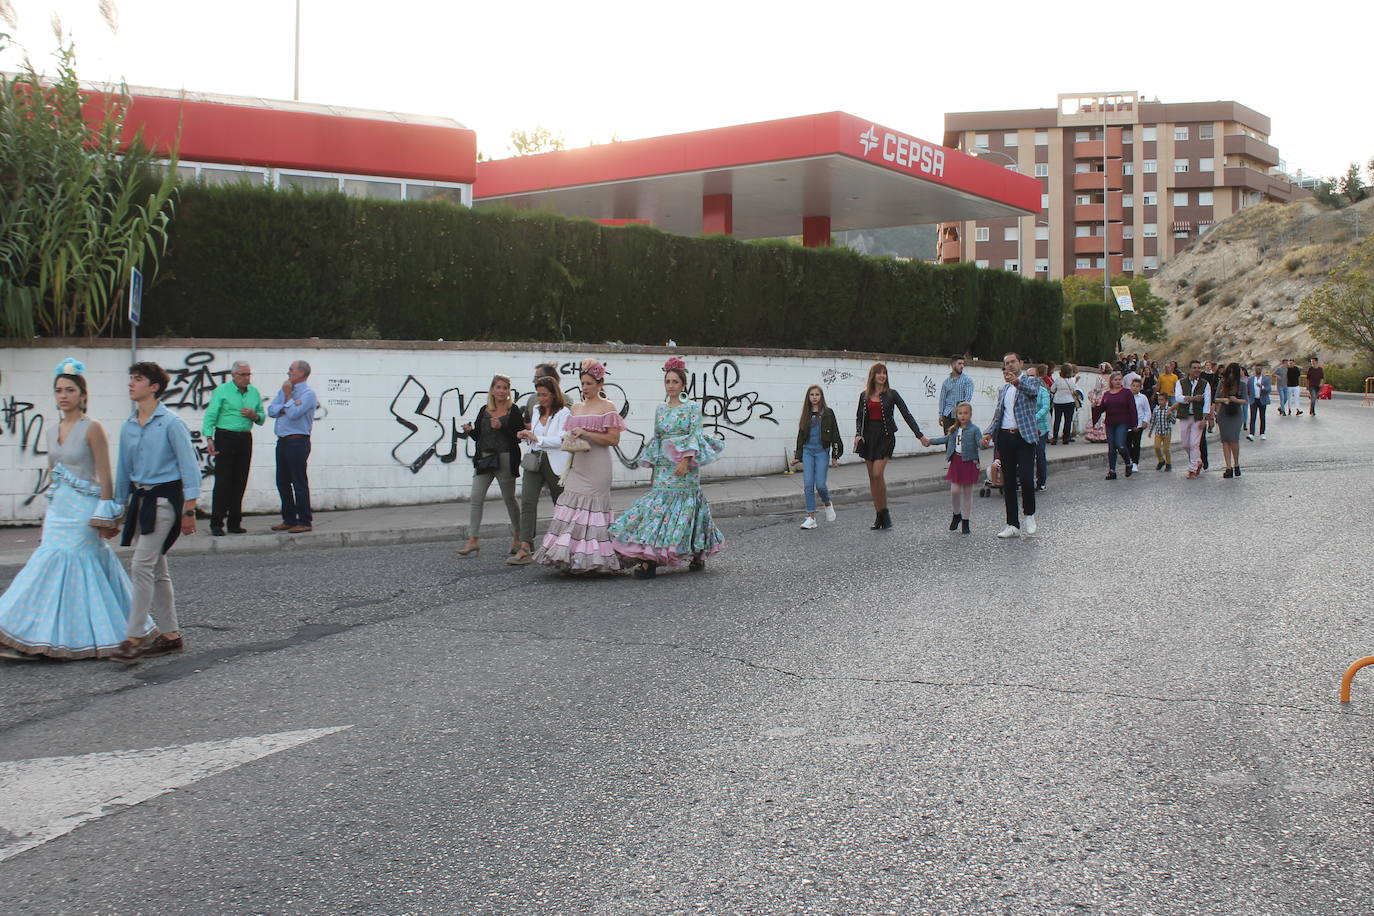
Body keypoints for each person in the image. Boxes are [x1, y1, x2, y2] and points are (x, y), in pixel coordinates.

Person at [0, 360, 148, 661]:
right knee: (44, 567)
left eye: (70, 390)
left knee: (77, 566)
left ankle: (80, 637)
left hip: (84, 511)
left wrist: (107, 516)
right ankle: (29, 634)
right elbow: (53, 474)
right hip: (58, 510)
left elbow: (106, 476)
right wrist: (47, 515)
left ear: (83, 395)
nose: (63, 395)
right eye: (58, 390)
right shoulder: (52, 429)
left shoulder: (92, 428)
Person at [109, 362, 202, 663]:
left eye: (138, 379)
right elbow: (123, 470)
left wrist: (189, 509)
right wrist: (118, 509)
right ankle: (172, 636)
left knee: (141, 565)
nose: (131, 384)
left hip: (165, 502)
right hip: (140, 502)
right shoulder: (128, 426)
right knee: (157, 569)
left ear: (154, 387)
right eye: (131, 378)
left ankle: (132, 638)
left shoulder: (171, 423)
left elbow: (190, 468)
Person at [611, 357, 725, 578]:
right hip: (664, 466)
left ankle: (697, 553)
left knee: (687, 508)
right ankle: (650, 558)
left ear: (683, 384)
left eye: (675, 381)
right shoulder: (660, 409)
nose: (671, 385)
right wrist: (654, 466)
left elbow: (695, 435)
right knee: (657, 509)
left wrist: (685, 460)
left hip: (686, 467)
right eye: (668, 381)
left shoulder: (692, 407)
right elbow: (658, 437)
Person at [533, 359, 627, 574]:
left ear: (600, 384)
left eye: (589, 384)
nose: (584, 388)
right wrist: (572, 436)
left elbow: (613, 439)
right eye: (582, 384)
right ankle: (569, 557)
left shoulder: (608, 407)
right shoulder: (575, 407)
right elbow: (568, 435)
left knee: (591, 512)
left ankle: (594, 560)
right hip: (578, 463)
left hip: (598, 467)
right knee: (570, 508)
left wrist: (587, 433)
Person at [454, 374, 526, 558]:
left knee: (509, 499)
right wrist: (470, 432)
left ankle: (518, 537)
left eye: (505, 388)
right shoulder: (484, 409)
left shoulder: (514, 410)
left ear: (508, 391)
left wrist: (501, 427)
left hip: (505, 458)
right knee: (476, 497)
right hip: (485, 458)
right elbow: (479, 436)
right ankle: (473, 540)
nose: (501, 391)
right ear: (492, 390)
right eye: (498, 387)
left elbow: (518, 437)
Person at [854, 362, 929, 530]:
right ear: (873, 375)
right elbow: (859, 417)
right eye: (879, 373)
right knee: (872, 478)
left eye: (885, 373)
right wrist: (858, 434)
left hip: (885, 437)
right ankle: (878, 515)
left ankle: (885, 511)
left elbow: (907, 414)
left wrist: (920, 436)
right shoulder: (863, 395)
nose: (882, 376)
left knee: (877, 473)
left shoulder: (892, 394)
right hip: (868, 438)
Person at [509, 376, 570, 565]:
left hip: (555, 461)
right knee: (527, 501)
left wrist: (537, 439)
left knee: (560, 504)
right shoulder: (535, 410)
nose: (540, 398)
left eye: (544, 395)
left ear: (553, 394)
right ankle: (525, 546)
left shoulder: (564, 412)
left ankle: (564, 544)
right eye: (538, 394)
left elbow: (561, 439)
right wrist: (526, 436)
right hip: (535, 459)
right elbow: (536, 435)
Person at [980, 353, 1041, 538]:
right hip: (1005, 437)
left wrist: (1016, 382)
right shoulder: (1003, 389)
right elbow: (999, 414)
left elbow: (1033, 393)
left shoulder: (1031, 381)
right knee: (1008, 483)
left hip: (1024, 437)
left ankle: (1029, 515)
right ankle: (1012, 524)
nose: (1010, 365)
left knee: (1027, 478)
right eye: (1006, 363)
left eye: (1013, 362)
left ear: (1020, 363)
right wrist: (989, 432)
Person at [203, 360, 264, 536]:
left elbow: (261, 416)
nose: (246, 378)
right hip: (225, 436)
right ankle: (217, 522)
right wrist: (209, 437)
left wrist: (255, 415)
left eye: (248, 374)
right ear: (234, 376)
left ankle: (234, 521)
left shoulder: (254, 392)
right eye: (243, 375)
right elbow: (211, 415)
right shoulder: (222, 391)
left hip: (244, 437)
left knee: (240, 480)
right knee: (223, 480)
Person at [266, 359, 318, 533]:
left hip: (297, 440)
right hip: (282, 440)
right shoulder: (285, 390)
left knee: (298, 481)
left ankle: (304, 520)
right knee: (282, 481)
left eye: (291, 370)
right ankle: (288, 518)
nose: (288, 373)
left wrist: (288, 399)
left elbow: (295, 414)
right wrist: (286, 404)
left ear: (301, 373)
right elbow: (272, 410)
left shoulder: (308, 394)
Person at [789, 384, 842, 529]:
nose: (814, 397)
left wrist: (835, 456)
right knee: (808, 484)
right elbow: (801, 436)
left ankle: (827, 502)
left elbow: (835, 435)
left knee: (820, 485)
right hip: (808, 451)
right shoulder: (806, 414)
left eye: (817, 394)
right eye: (812, 395)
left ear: (821, 396)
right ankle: (811, 517)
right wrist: (797, 456)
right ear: (808, 397)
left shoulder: (828, 413)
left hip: (821, 452)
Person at [927, 401, 981, 535]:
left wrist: (984, 442)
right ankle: (957, 514)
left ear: (970, 414)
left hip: (969, 462)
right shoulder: (954, 429)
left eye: (965, 413)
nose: (963, 416)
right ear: (956, 415)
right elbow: (945, 439)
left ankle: (966, 521)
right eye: (960, 413)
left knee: (968, 492)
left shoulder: (975, 430)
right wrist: (930, 441)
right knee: (955, 491)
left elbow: (981, 444)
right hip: (956, 461)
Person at [1091, 371, 1136, 480]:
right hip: (1110, 423)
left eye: (1119, 379)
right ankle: (1112, 471)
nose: (1117, 381)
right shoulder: (1106, 394)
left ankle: (1128, 462)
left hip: (1123, 422)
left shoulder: (1127, 393)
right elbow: (1102, 408)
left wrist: (1134, 424)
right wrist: (1095, 409)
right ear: (1111, 381)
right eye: (1115, 379)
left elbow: (1132, 408)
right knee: (1111, 448)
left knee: (1120, 444)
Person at [1174, 360, 1213, 479]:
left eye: (1198, 368)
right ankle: (1198, 461)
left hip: (1198, 417)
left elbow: (1207, 401)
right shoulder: (1180, 382)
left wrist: (1204, 418)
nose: (1197, 370)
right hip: (1185, 416)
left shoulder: (1205, 384)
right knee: (1186, 444)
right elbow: (1178, 398)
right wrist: (1192, 398)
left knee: (1194, 444)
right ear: (1189, 369)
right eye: (1194, 368)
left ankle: (1192, 469)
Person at [1214, 362, 1247, 478]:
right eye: (1230, 373)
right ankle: (1228, 467)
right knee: (1225, 440)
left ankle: (1236, 463)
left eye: (1234, 373)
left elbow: (1245, 400)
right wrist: (1224, 400)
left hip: (1236, 413)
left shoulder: (1242, 385)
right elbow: (1215, 398)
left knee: (1234, 439)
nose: (1231, 375)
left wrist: (1235, 400)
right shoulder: (1222, 383)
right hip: (1224, 413)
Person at [937, 356, 974, 434]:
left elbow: (967, 398)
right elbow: (942, 399)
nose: (962, 366)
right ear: (953, 365)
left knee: (960, 440)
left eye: (963, 364)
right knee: (948, 440)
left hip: (961, 415)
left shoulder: (967, 380)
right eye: (959, 363)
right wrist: (941, 415)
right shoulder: (946, 382)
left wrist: (961, 411)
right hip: (947, 414)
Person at [1049, 362, 1079, 444]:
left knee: (1057, 420)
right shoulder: (1073, 380)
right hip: (1070, 402)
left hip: (1058, 402)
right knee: (1068, 420)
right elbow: (1075, 390)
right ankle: (1066, 438)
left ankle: (1054, 438)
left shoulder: (1058, 380)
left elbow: (1052, 389)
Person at [1083, 363, 1112, 444]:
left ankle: (1097, 435)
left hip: (1101, 397)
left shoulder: (1100, 377)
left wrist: (1093, 392)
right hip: (1110, 396)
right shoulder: (1112, 377)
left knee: (1099, 416)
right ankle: (1107, 435)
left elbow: (1098, 388)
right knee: (1107, 416)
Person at [1034, 364, 1051, 490]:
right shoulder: (1021, 391)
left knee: (1040, 454)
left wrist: (1034, 418)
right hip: (1026, 429)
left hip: (1041, 428)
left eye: (1032, 376)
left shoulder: (1043, 391)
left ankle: (1041, 481)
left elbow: (1045, 407)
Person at [1150, 391, 1175, 471]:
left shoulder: (1169, 409)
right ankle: (1161, 461)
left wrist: (1170, 415)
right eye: (1159, 400)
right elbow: (1153, 421)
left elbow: (1174, 421)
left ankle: (1168, 463)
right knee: (1156, 447)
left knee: (1166, 449)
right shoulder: (1156, 410)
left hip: (1167, 432)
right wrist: (1150, 431)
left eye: (1162, 400)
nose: (1160, 402)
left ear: (1166, 400)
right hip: (1158, 432)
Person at [1246, 364, 1271, 441]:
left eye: (1259, 369)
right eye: (1257, 369)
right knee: (1253, 417)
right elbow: (1248, 389)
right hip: (1254, 400)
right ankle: (1251, 433)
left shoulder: (1265, 379)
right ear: (1255, 370)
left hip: (1262, 400)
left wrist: (1262, 387)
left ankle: (1262, 433)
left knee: (1262, 417)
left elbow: (1269, 389)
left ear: (1261, 370)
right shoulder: (1251, 379)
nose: (1258, 370)